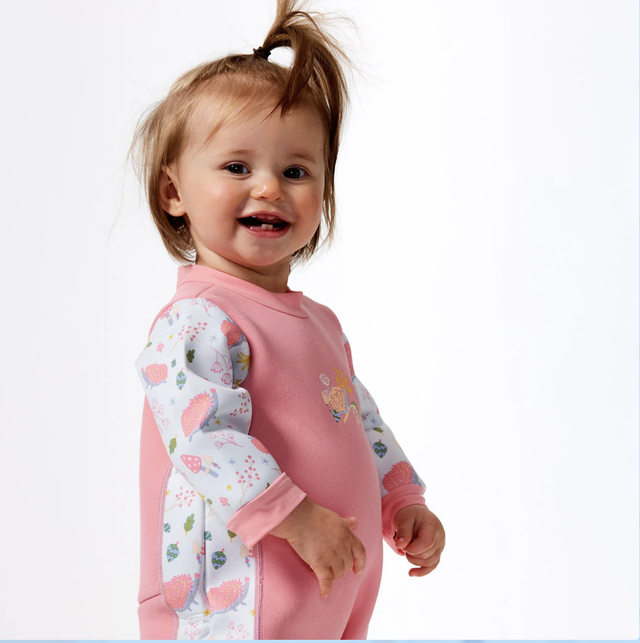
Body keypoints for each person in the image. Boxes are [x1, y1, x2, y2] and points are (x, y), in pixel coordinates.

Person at [129, 0, 445, 639]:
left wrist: (400, 499)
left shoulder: (320, 323)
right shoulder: (199, 319)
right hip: (237, 598)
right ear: (174, 192)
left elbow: (359, 420)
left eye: (295, 171)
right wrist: (293, 518)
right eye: (237, 167)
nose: (270, 187)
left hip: (325, 586)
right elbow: (201, 435)